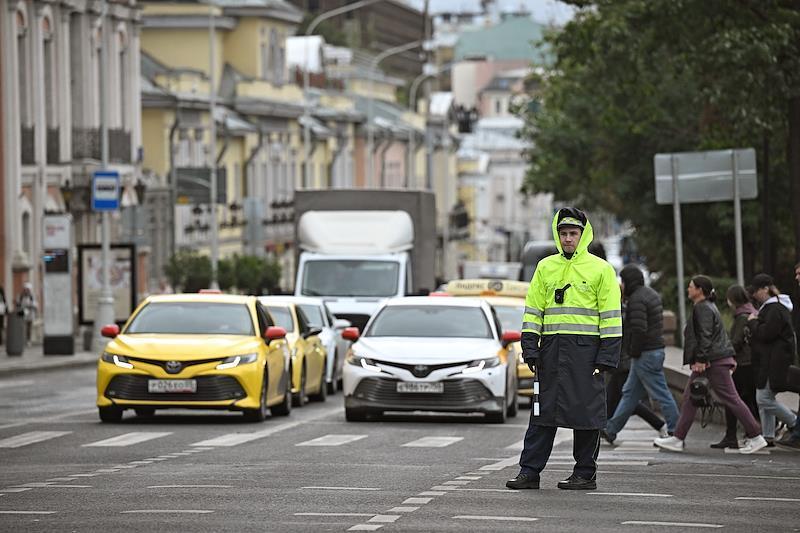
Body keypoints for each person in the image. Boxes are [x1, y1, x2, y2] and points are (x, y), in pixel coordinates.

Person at [506, 207, 621, 491]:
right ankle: (529, 472)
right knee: (541, 414)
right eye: (564, 234)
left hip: (586, 356)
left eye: (573, 233)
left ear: (583, 235)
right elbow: (533, 311)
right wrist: (530, 347)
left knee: (586, 417)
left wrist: (606, 357)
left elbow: (611, 317)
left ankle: (585, 474)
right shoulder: (545, 267)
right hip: (551, 354)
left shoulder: (601, 269)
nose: (568, 239)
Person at [654, 276, 766, 454]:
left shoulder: (703, 308)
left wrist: (700, 360)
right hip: (713, 360)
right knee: (691, 397)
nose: (688, 289)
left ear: (699, 290)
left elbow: (705, 336)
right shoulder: (705, 306)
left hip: (713, 361)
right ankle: (678, 438)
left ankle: (756, 435)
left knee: (731, 398)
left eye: (691, 287)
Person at [602, 264, 679, 444]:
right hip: (650, 352)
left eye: (623, 280)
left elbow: (638, 329)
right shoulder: (650, 294)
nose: (622, 284)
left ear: (629, 281)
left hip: (645, 353)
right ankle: (611, 430)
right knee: (629, 394)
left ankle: (676, 432)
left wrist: (633, 351)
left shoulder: (636, 299)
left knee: (661, 393)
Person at [746, 273, 798, 447]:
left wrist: (753, 323)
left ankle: (794, 421)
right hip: (770, 359)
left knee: (764, 398)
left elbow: (766, 333)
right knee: (763, 397)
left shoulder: (774, 308)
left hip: (774, 360)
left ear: (766, 289)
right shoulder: (774, 307)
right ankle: (768, 436)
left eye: (757, 291)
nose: (754, 295)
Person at [709, 285, 760, 449]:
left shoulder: (741, 316)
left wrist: (723, 353)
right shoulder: (750, 311)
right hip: (750, 362)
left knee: (733, 399)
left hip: (743, 363)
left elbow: (736, 341)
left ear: (733, 300)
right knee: (745, 399)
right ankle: (751, 433)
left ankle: (735, 435)